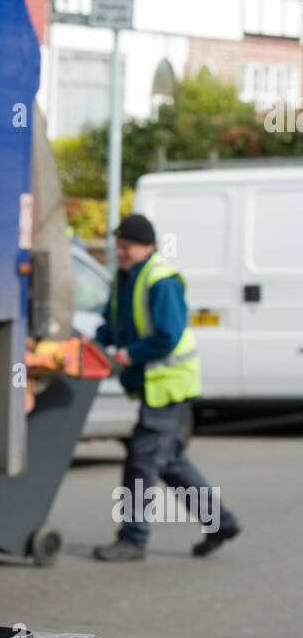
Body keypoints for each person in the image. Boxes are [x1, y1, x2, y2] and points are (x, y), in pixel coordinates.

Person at [92, 213, 241, 561]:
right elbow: (114, 326)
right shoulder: (125, 277)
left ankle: (133, 538)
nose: (122, 251)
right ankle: (220, 521)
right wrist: (93, 343)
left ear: (149, 247)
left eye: (128, 246)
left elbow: (168, 337)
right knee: (169, 460)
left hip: (169, 384)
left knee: (141, 461)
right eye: (119, 244)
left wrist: (128, 354)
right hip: (155, 384)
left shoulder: (161, 280)